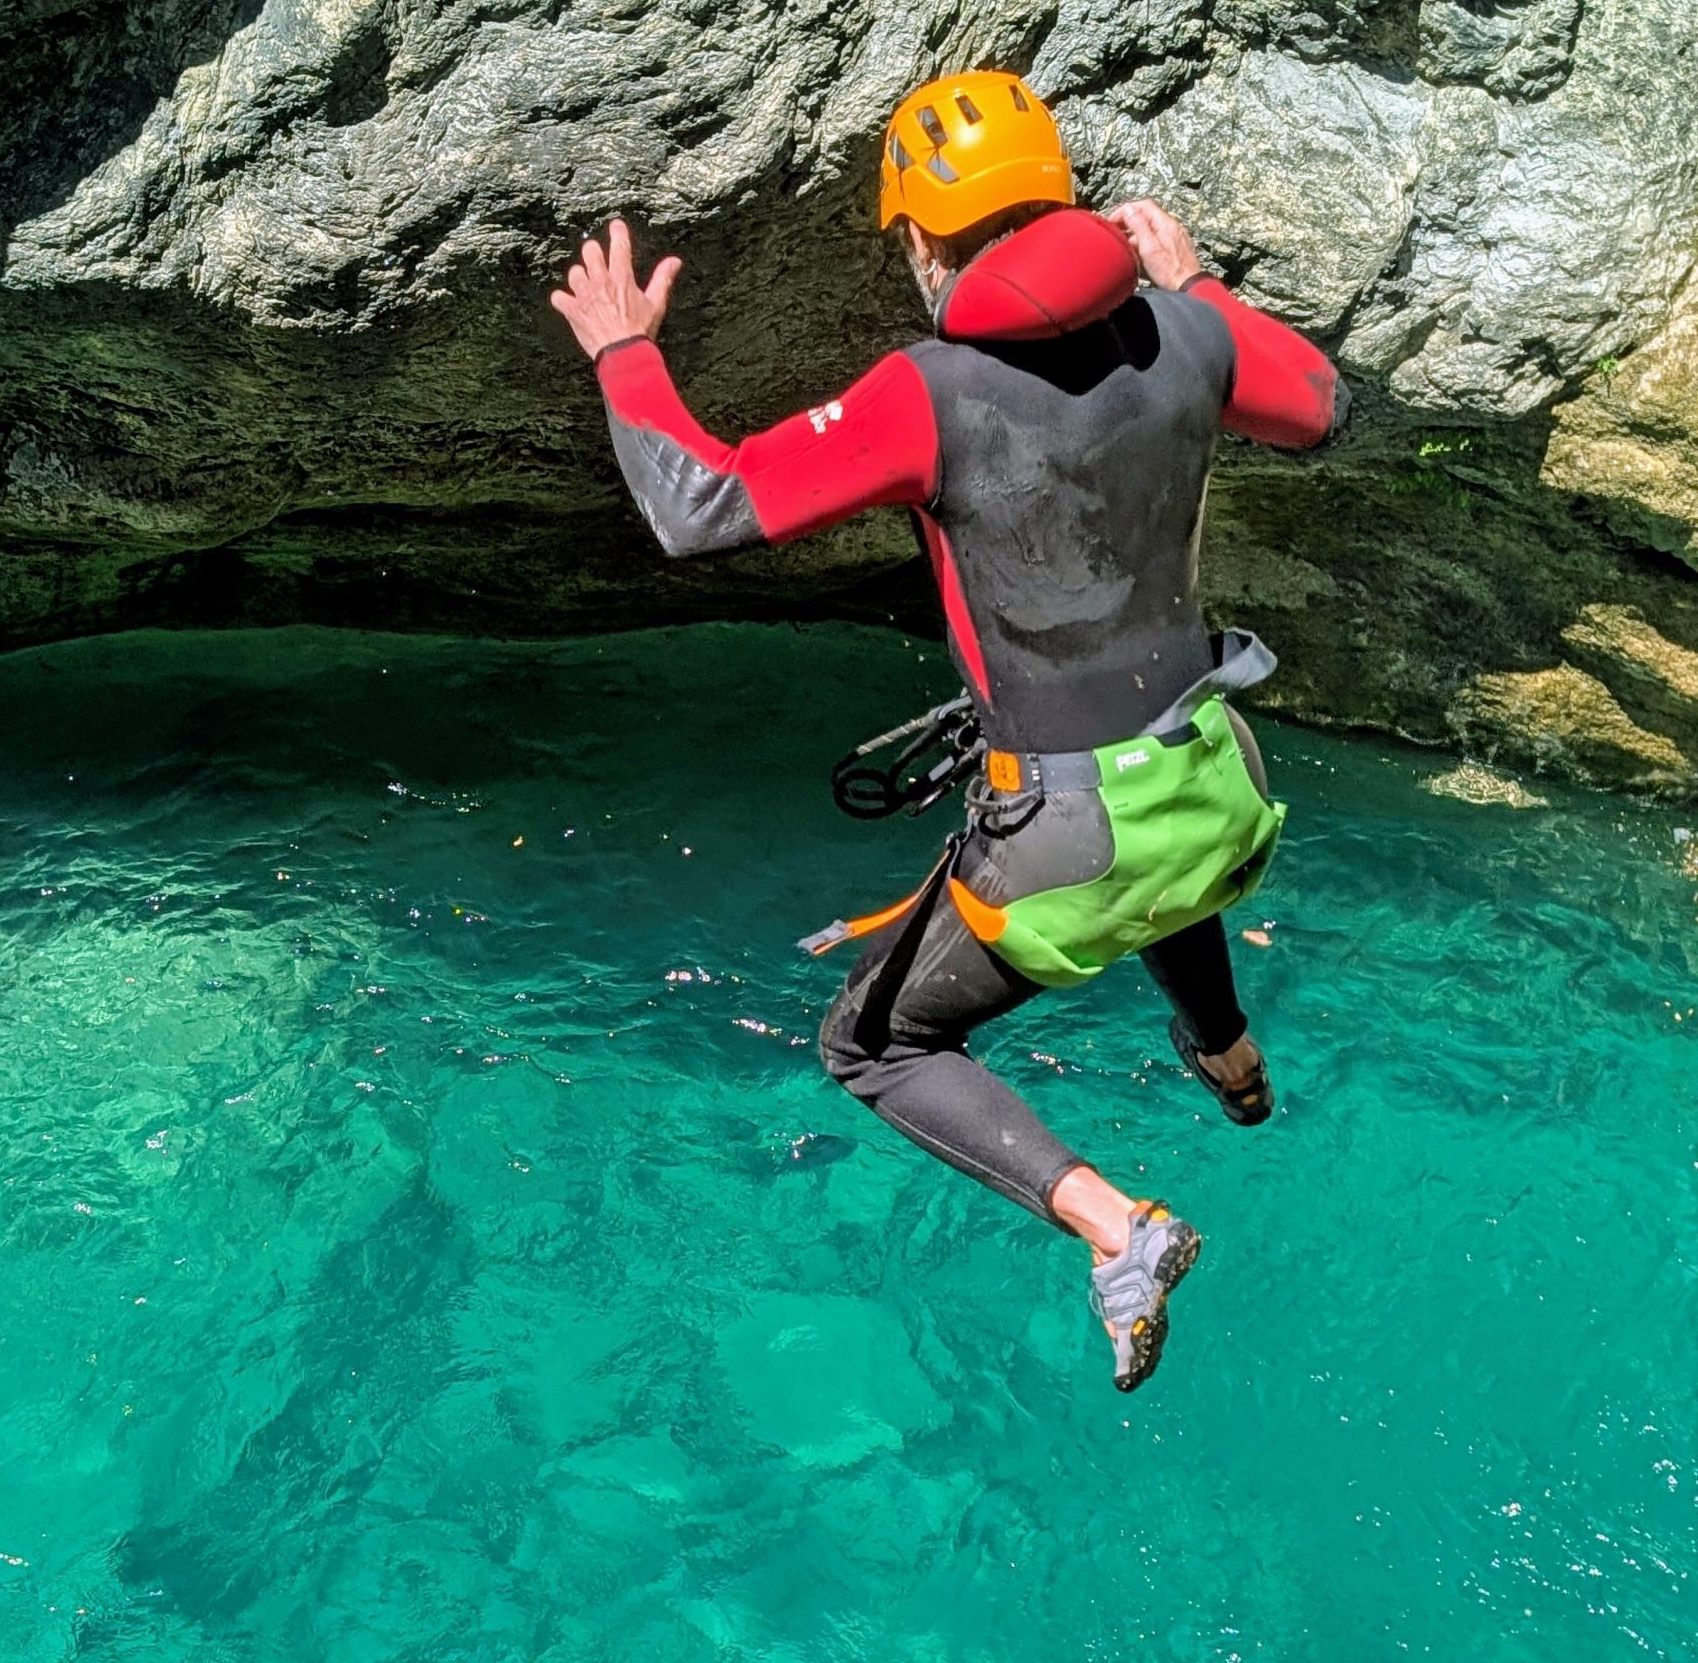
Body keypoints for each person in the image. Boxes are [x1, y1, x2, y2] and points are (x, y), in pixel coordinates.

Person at [550, 70, 1343, 1391]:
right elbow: (1320, 405)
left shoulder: (932, 390)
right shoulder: (1183, 338)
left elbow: (701, 504)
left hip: (1070, 844)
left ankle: (1117, 1227)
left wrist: (624, 351)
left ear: (923, 240)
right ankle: (1231, 1057)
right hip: (1221, 783)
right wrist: (1196, 289)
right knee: (1160, 867)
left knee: (870, 1043)